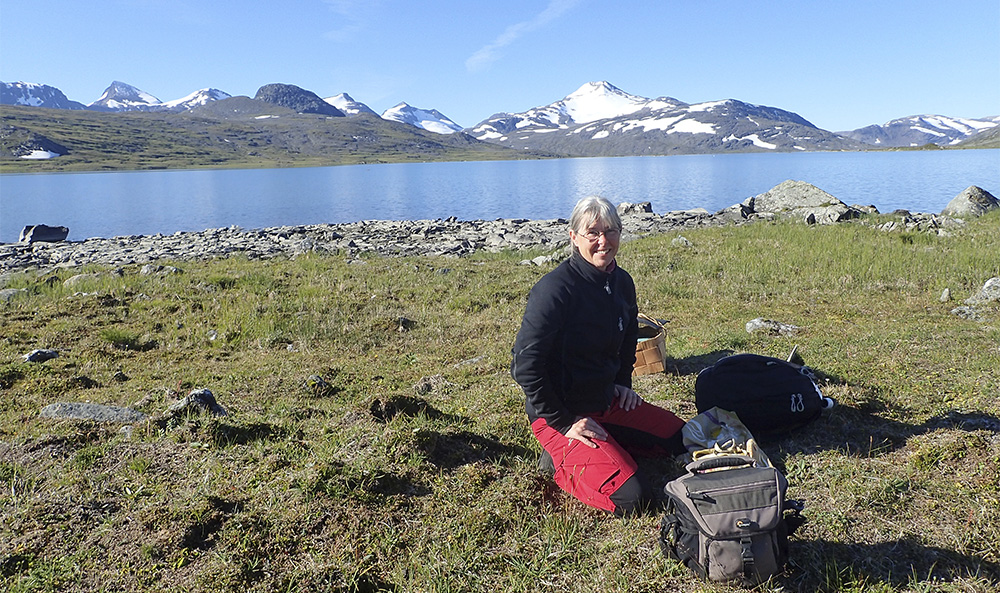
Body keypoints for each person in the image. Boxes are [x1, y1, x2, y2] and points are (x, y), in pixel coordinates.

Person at [511, 196, 686, 516]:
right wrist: (563, 422)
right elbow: (525, 366)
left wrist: (622, 383)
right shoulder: (554, 291)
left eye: (611, 230)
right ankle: (556, 461)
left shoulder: (622, 283)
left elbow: (627, 336)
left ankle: (609, 442)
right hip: (558, 415)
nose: (603, 241)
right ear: (574, 237)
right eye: (592, 232)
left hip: (605, 401)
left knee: (683, 438)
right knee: (634, 498)